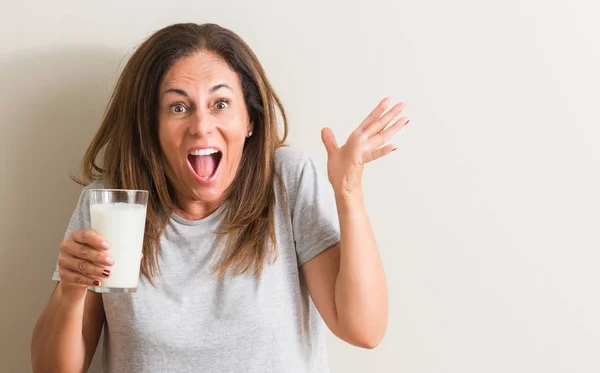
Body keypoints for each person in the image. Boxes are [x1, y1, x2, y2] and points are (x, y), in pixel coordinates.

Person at [31, 22, 409, 373]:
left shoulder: (286, 181)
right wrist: (71, 289)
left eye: (220, 103)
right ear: (151, 126)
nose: (201, 126)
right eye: (178, 107)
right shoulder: (110, 205)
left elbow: (364, 330)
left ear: (249, 121)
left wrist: (348, 193)